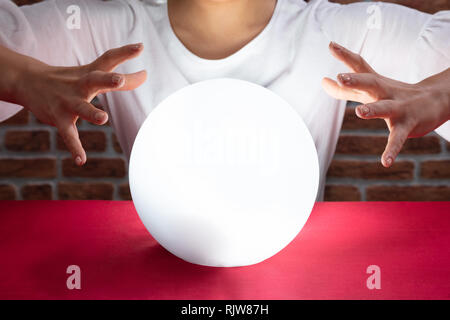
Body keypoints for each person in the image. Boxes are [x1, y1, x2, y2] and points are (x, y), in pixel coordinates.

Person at [0, 0, 448, 200]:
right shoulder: (110, 29)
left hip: (300, 277)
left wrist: (440, 92)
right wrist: (20, 75)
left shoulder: (338, 33)